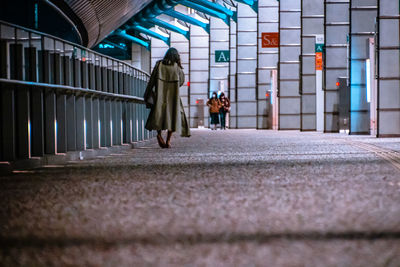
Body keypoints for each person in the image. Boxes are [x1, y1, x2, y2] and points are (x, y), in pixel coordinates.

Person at [144, 47, 190, 148]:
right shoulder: (177, 68)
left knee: (158, 116)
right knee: (173, 117)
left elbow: (151, 80)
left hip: (160, 96)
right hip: (173, 97)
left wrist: (147, 93)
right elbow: (182, 81)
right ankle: (168, 140)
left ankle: (159, 135)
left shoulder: (159, 65)